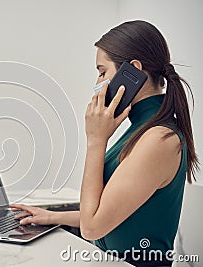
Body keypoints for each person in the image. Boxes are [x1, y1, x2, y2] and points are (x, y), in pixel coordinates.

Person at [10, 20, 199, 267]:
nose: (98, 83)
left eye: (102, 72)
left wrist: (96, 141)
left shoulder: (158, 140)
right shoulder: (140, 131)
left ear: (133, 72)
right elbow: (109, 212)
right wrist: (52, 217)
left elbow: (92, 228)